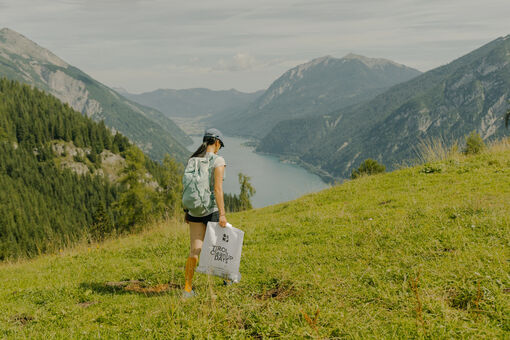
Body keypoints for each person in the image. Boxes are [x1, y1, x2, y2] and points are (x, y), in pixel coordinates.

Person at [183, 128, 227, 298]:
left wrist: (187, 210)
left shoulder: (192, 160)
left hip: (194, 210)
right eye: (220, 145)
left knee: (195, 249)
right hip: (211, 210)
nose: (219, 148)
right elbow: (217, 189)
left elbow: (188, 188)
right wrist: (222, 214)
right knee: (219, 246)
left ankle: (187, 289)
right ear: (216, 142)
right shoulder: (218, 160)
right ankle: (226, 278)